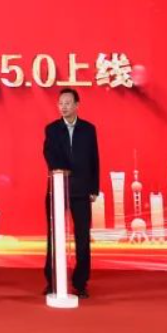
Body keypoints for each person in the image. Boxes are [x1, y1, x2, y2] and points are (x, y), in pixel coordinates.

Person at [43, 88, 99, 299]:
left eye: (67, 103)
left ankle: (80, 282)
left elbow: (94, 159)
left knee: (82, 237)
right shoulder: (52, 129)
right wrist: (61, 171)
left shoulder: (88, 129)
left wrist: (93, 188)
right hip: (58, 188)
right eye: (60, 103)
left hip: (82, 190)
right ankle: (53, 281)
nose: (63, 107)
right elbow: (49, 154)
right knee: (54, 236)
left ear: (77, 105)